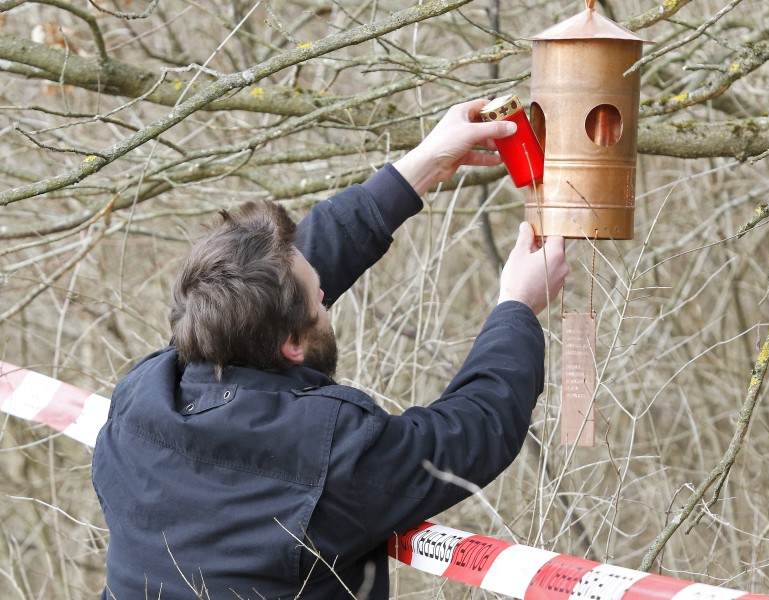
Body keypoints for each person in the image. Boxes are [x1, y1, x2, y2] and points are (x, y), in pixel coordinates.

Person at [91, 99, 569, 600]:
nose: (324, 295)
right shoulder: (330, 452)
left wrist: (420, 165)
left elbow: (273, 281)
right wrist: (517, 305)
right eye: (318, 301)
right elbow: (473, 430)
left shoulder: (143, 398)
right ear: (292, 344)